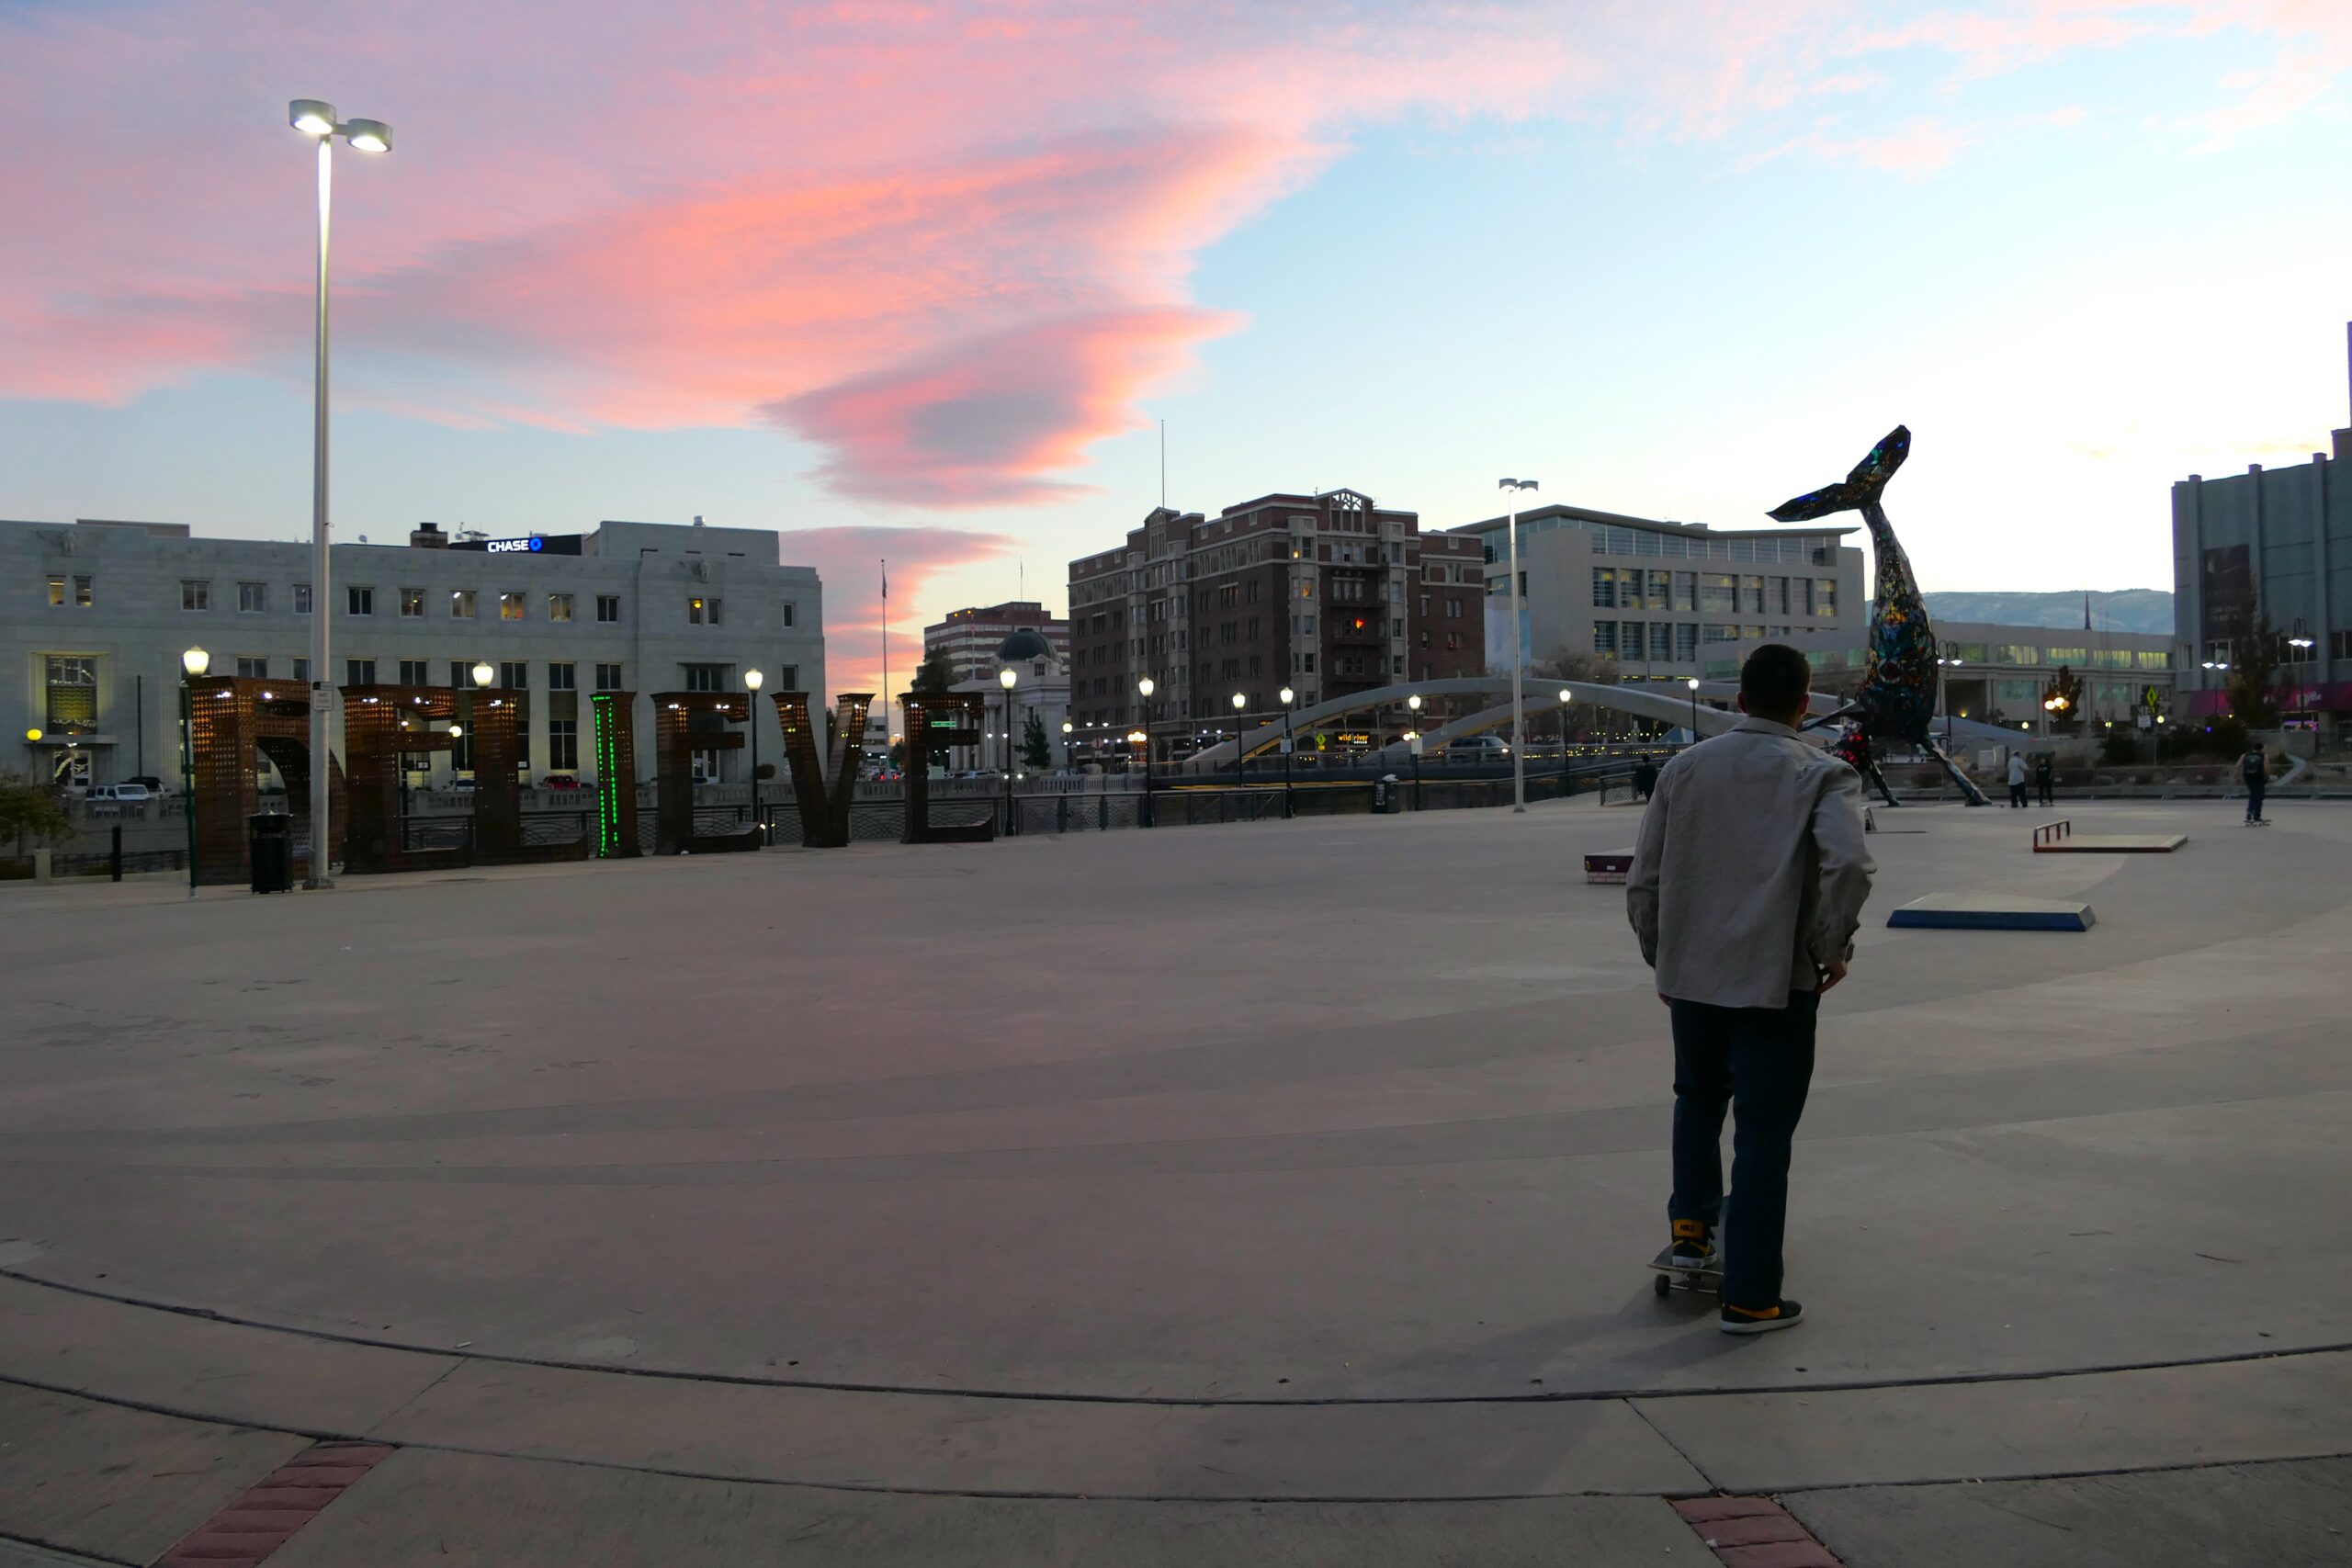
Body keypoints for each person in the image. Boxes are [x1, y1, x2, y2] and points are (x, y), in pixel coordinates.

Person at [1627, 644, 1875, 1335]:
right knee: (1763, 1135)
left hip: (1694, 980)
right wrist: (1831, 946)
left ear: (1739, 700)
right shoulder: (1825, 774)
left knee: (1696, 1102)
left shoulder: (1683, 769)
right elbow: (1849, 865)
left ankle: (1692, 1233)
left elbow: (1644, 877)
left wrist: (1662, 957)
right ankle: (1752, 1296)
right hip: (1775, 980)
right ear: (1804, 706)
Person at [2242, 747, 2268, 826]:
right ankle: (2256, 815)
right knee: (2259, 796)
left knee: (2252, 795)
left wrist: (2238, 777)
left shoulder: (2245, 755)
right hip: (2259, 777)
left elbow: (2238, 765)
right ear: (2262, 748)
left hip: (2248, 777)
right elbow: (2266, 767)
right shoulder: (2263, 756)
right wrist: (2267, 776)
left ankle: (2249, 814)